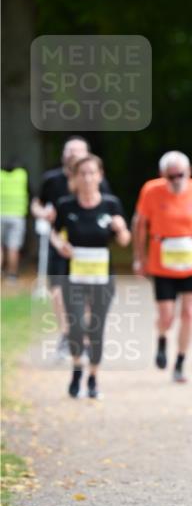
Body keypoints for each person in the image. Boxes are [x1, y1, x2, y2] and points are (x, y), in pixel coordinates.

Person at [132, 151, 192, 383]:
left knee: (189, 313)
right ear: (163, 175)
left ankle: (180, 361)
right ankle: (161, 338)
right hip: (162, 263)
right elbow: (139, 225)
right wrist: (139, 258)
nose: (176, 180)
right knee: (166, 315)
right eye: (171, 176)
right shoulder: (151, 191)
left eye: (181, 175)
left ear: (188, 172)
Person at [50, 155, 130, 398]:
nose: (87, 178)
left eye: (91, 173)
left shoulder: (111, 205)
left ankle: (93, 377)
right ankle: (77, 368)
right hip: (74, 276)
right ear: (74, 178)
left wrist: (120, 228)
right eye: (82, 173)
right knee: (75, 325)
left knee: (96, 329)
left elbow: (125, 241)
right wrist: (60, 245)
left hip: (102, 278)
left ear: (100, 175)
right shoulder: (66, 206)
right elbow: (54, 234)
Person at [31, 137, 111, 357]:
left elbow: (107, 208)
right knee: (57, 293)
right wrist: (41, 213)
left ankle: (81, 338)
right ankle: (67, 335)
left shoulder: (97, 180)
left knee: (84, 297)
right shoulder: (51, 179)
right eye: (68, 150)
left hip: (85, 248)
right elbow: (36, 203)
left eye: (77, 151)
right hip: (59, 243)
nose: (72, 154)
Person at [1, 159, 29, 281]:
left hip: (1, 214)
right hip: (17, 215)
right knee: (14, 247)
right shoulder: (21, 175)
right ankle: (12, 275)